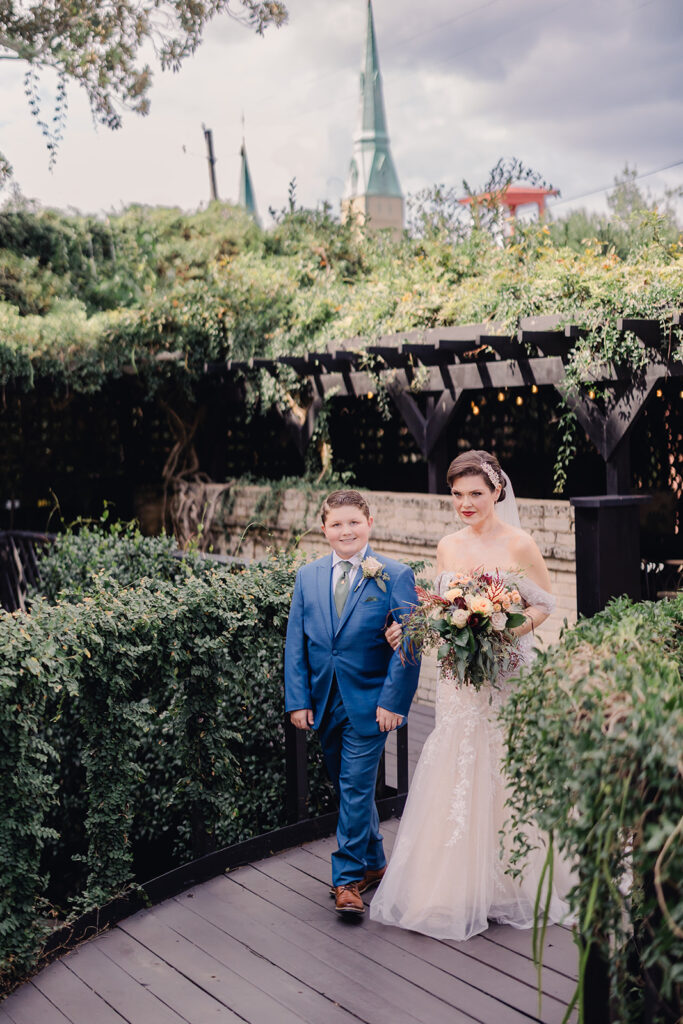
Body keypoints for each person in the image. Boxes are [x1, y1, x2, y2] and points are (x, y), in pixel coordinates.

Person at [370, 450, 573, 940]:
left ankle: (511, 881)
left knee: (503, 760)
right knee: (457, 760)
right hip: (458, 679)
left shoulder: (520, 543)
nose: (465, 502)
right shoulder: (447, 546)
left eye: (475, 493)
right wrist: (418, 630)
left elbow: (545, 604)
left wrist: (505, 630)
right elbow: (438, 612)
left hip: (504, 672)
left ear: (497, 491)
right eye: (457, 493)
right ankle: (453, 886)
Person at [285, 489, 421, 917]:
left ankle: (345, 879)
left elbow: (410, 643)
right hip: (324, 703)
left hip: (370, 703)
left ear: (370, 523)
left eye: (353, 522)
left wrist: (393, 701)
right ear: (323, 529)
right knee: (350, 789)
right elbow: (296, 646)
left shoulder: (395, 574)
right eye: (336, 524)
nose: (346, 531)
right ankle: (376, 862)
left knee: (355, 788)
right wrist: (298, 700)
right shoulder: (307, 577)